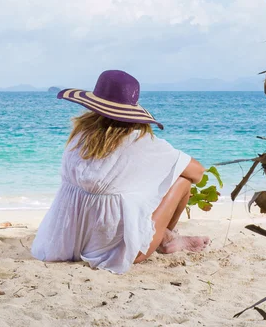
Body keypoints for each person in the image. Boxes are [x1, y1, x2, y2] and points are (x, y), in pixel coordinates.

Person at [31, 70, 210, 274]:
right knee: (182, 180)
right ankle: (168, 239)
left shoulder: (78, 136)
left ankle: (168, 236)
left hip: (61, 244)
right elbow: (197, 173)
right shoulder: (140, 142)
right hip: (118, 253)